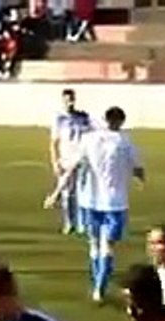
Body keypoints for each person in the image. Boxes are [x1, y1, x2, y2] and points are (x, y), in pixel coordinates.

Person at [46, 106, 145, 304]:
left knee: (93, 243)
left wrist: (56, 193)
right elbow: (138, 168)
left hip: (88, 201)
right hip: (115, 203)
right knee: (107, 246)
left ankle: (97, 284)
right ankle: (100, 287)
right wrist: (141, 179)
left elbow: (71, 169)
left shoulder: (89, 139)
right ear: (120, 122)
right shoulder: (125, 141)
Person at [49, 88, 93, 236]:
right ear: (63, 101)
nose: (70, 102)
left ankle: (83, 223)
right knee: (68, 192)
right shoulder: (59, 119)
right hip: (66, 158)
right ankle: (69, 222)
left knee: (83, 191)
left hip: (81, 158)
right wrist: (55, 161)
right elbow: (54, 142)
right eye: (67, 99)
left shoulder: (83, 116)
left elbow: (90, 136)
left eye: (72, 99)